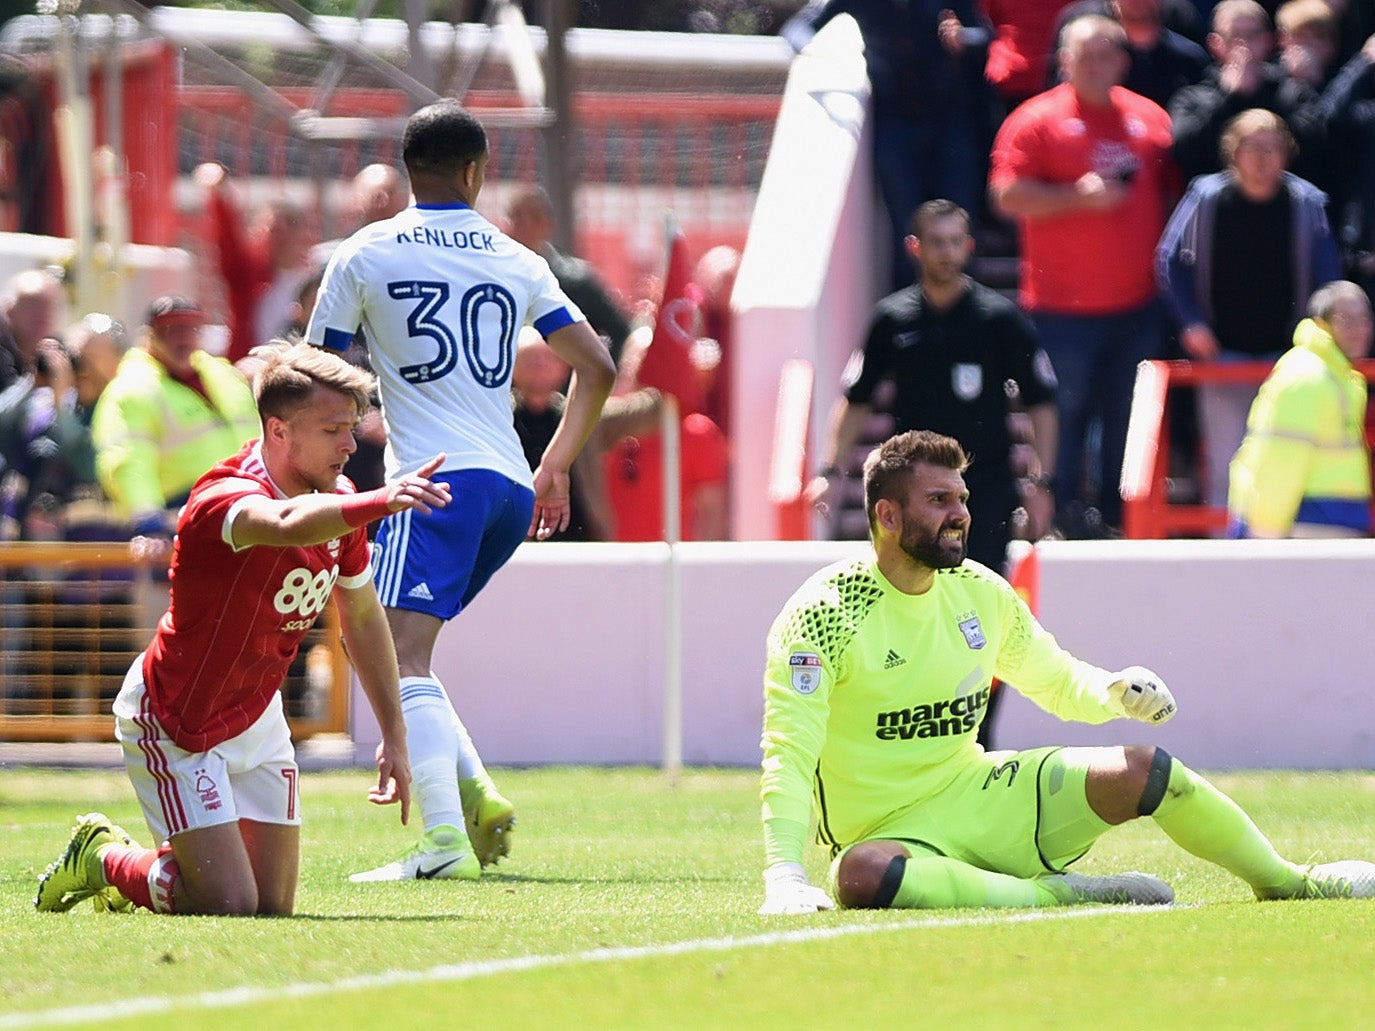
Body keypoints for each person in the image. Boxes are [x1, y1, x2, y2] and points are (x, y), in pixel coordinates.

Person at [758, 428, 1375, 915]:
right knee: (862, 876)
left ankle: (1290, 881)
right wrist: (785, 873)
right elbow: (789, 750)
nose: (961, 514)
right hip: (887, 835)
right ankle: (1065, 894)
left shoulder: (981, 591)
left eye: (964, 499)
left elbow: (1054, 680)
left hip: (982, 798)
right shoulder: (823, 616)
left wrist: (1114, 692)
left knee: (1145, 769)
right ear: (887, 517)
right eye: (939, 500)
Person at [306, 100, 616, 880]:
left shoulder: (364, 252)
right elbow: (598, 366)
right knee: (405, 647)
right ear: (477, 171)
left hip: (432, 486)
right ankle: (474, 796)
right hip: (509, 485)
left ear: (409, 169)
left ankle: (443, 843)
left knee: (394, 651)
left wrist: (324, 464)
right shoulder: (517, 258)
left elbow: (314, 377)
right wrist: (555, 465)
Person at [33, 341, 441, 916]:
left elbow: (363, 614)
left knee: (270, 907)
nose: (350, 445)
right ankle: (102, 857)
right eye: (332, 430)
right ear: (278, 431)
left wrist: (393, 733)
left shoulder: (338, 497)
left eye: (352, 427)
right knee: (228, 902)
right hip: (179, 716)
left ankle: (165, 864)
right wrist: (379, 501)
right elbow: (281, 523)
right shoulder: (224, 496)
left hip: (255, 713)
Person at [806, 199, 1058, 747]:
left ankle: (978, 738)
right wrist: (831, 470)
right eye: (936, 242)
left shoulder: (997, 319)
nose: (948, 253)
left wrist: (1042, 483)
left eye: (957, 242)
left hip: (983, 498)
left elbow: (1041, 402)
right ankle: (914, 731)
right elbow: (856, 399)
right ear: (914, 248)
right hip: (910, 504)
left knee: (981, 614)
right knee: (907, 610)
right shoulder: (893, 319)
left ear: (970, 247)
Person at [989, 13, 1176, 537]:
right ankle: (1060, 520)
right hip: (1060, 308)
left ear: (1123, 60)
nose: (1096, 65)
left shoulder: (1152, 121)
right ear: (1064, 60)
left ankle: (1122, 521)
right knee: (1062, 421)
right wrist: (1078, 197)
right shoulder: (1034, 120)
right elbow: (1006, 196)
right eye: (1085, 54)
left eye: (1107, 54)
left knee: (1129, 423)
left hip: (1139, 305)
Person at [1156, 108, 1341, 513]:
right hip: (1222, 355)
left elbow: (1329, 279)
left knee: (1290, 455)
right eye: (1251, 147)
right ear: (1232, 153)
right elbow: (1169, 261)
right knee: (1226, 457)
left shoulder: (1307, 203)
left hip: (1289, 361)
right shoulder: (1205, 198)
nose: (1262, 158)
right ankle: (1227, 543)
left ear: (1286, 153)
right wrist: (1191, 323)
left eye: (1272, 147)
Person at [782, 0, 996, 292]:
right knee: (906, 230)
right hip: (897, 126)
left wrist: (963, 38)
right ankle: (910, 323)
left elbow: (985, 36)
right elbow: (797, 28)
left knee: (959, 219)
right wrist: (816, 53)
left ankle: (967, 321)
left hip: (949, 124)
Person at [91, 295, 260, 541]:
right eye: (170, 330)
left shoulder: (222, 374)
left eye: (190, 329)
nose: (183, 339)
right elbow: (128, 461)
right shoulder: (133, 388)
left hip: (246, 503)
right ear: (149, 335)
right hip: (183, 516)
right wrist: (148, 520)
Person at [1228, 280, 1372, 538]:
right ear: (1321, 324)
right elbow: (1281, 460)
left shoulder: (1336, 375)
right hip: (1309, 523)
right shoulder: (1307, 377)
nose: (1360, 330)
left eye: (1365, 319)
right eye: (1347, 320)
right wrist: (1264, 537)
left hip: (1329, 520)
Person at [1168, 1, 1332, 196]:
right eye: (1234, 36)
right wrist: (1230, 98)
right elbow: (1185, 150)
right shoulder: (1193, 97)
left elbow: (1316, 145)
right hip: (1220, 210)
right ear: (1215, 44)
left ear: (1268, 41)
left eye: (1253, 35)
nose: (1244, 46)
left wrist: (1258, 95)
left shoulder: (1292, 92)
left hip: (1281, 205)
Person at [599, 329, 730, 542]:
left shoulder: (696, 432)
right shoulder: (600, 422)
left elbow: (712, 512)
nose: (642, 368)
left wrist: (701, 567)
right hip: (606, 559)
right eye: (636, 359)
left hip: (670, 562)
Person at [195, 161, 316, 365]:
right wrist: (219, 196)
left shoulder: (315, 281)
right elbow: (228, 245)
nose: (282, 238)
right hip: (251, 372)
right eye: (274, 230)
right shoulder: (248, 277)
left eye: (290, 228)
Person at [505, 185, 636, 365]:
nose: (523, 226)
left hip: (566, 389)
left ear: (548, 223)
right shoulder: (497, 277)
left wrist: (592, 374)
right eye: (517, 217)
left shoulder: (577, 281)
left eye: (533, 217)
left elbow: (620, 332)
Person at [512, 326, 614, 541]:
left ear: (565, 367)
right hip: (517, 548)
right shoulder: (498, 420)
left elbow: (651, 408)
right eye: (530, 358)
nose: (539, 365)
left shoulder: (589, 415)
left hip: (580, 544)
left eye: (547, 358)